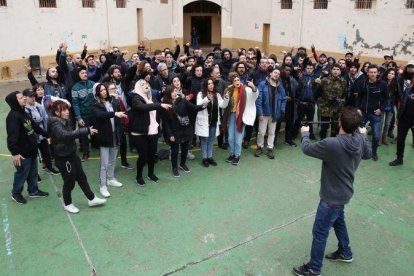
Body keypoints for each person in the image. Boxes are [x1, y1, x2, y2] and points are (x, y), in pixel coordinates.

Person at [293, 106, 372, 276]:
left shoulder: (332, 144)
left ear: (340, 124)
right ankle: (345, 251)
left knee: (320, 232)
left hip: (331, 198)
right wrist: (364, 135)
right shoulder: (359, 139)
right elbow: (368, 154)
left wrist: (305, 133)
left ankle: (314, 268)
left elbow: (307, 148)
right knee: (338, 220)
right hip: (344, 193)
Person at [48, 99, 106, 213]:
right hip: (63, 158)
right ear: (56, 112)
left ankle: (91, 198)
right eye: (63, 110)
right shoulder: (55, 123)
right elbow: (65, 135)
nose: (67, 112)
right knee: (69, 182)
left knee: (82, 177)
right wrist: (86, 130)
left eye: (67, 109)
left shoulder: (65, 121)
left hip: (71, 154)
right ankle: (67, 203)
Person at [6, 91, 50, 205]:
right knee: (22, 174)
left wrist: (46, 134)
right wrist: (15, 153)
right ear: (15, 102)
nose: (24, 99)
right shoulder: (13, 117)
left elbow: (33, 126)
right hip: (22, 153)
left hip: (31, 150)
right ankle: (16, 193)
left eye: (23, 97)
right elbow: (12, 137)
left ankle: (33, 190)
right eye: (21, 98)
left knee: (33, 172)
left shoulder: (23, 112)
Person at [129, 79, 171, 186]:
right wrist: (160, 105)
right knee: (143, 156)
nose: (145, 85)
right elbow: (142, 107)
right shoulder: (135, 98)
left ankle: (151, 174)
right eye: (142, 85)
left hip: (153, 131)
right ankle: (139, 176)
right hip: (140, 133)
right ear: (138, 88)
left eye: (146, 84)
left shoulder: (152, 98)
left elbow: (159, 108)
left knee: (152, 155)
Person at [92, 83, 127, 198]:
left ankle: (111, 178)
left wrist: (117, 100)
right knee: (104, 164)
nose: (104, 92)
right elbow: (100, 115)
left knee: (112, 160)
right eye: (101, 90)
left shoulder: (112, 101)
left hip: (114, 135)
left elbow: (120, 111)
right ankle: (103, 186)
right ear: (97, 92)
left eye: (105, 90)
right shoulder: (95, 104)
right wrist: (114, 113)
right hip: (104, 137)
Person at [162, 86, 205, 177]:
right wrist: (170, 134)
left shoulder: (182, 100)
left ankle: (182, 164)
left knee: (185, 149)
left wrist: (203, 105)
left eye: (175, 91)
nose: (174, 93)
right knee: (175, 151)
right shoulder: (165, 104)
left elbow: (194, 107)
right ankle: (174, 167)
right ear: (168, 93)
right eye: (172, 91)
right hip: (174, 132)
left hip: (185, 129)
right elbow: (165, 122)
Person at [222, 73, 259, 165]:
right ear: (232, 82)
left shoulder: (245, 89)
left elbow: (255, 95)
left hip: (241, 116)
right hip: (231, 115)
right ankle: (232, 153)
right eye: (234, 80)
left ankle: (237, 155)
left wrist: (253, 87)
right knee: (230, 138)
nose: (237, 82)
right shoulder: (228, 90)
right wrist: (226, 98)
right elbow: (224, 104)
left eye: (238, 80)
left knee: (238, 139)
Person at [355, 64, 387, 161]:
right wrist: (358, 108)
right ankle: (360, 151)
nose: (373, 74)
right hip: (363, 113)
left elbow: (387, 99)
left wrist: (381, 109)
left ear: (377, 73)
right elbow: (359, 97)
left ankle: (373, 152)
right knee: (359, 134)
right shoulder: (362, 83)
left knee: (376, 136)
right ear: (367, 73)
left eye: (374, 72)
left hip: (375, 114)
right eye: (371, 72)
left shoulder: (383, 84)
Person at [195, 78, 229, 167]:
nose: (211, 85)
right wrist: (207, 98)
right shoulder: (201, 94)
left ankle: (210, 157)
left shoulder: (217, 94)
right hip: (204, 122)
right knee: (204, 141)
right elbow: (198, 104)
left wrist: (226, 99)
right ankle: (204, 158)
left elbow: (223, 105)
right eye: (209, 83)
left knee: (211, 140)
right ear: (206, 85)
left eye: (212, 83)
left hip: (213, 121)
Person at [255, 68, 286, 159]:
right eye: (275, 72)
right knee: (261, 132)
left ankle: (270, 148)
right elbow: (259, 99)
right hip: (264, 113)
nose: (277, 74)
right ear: (271, 74)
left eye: (278, 73)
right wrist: (260, 113)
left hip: (274, 113)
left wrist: (282, 110)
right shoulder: (262, 84)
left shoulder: (280, 86)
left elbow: (283, 99)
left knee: (272, 132)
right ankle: (259, 147)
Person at [389, 60, 414, 166]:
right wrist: (398, 117)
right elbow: (402, 103)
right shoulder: (408, 88)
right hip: (404, 118)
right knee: (400, 140)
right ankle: (399, 158)